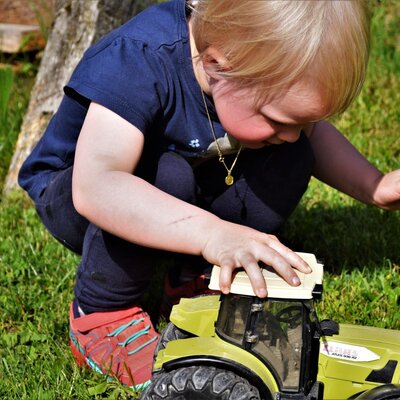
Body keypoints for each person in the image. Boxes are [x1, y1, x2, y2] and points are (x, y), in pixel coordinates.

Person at [18, 0, 400, 391]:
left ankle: (193, 277)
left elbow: (312, 135)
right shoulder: (140, 60)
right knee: (165, 173)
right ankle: (103, 312)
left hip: (190, 182)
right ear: (218, 66)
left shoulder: (245, 71)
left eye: (303, 121)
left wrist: (377, 187)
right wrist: (212, 234)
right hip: (81, 192)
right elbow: (97, 186)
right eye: (279, 120)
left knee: (294, 155)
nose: (291, 132)